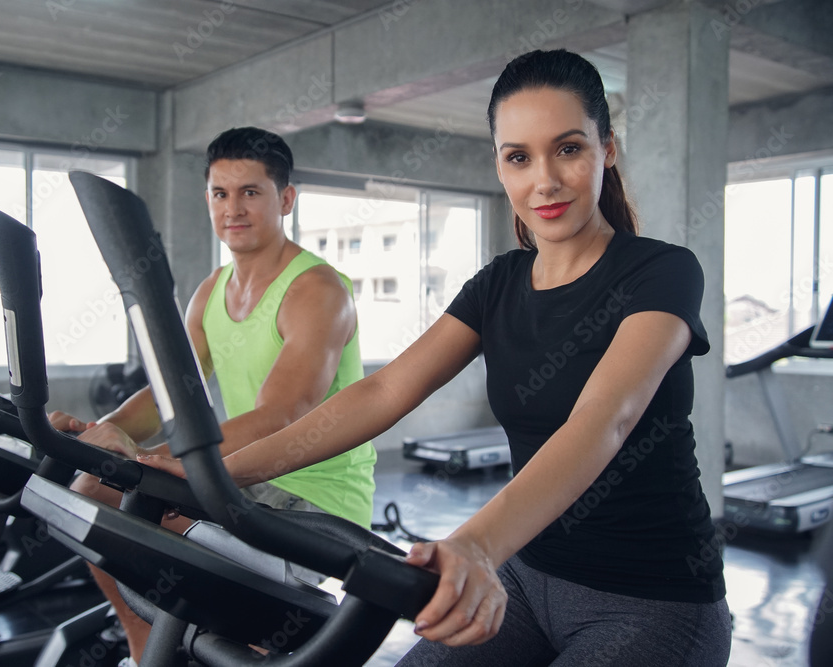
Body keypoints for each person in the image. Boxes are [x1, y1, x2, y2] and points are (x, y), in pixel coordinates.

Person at [144, 49, 731, 665]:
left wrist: (475, 545)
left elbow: (601, 420)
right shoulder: (499, 283)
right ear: (500, 167)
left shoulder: (661, 273)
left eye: (568, 149)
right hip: (528, 579)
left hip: (654, 600)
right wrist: (215, 472)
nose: (545, 182)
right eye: (519, 157)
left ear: (606, 149)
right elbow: (385, 391)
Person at [50, 126, 377, 665]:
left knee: (160, 533)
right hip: (241, 481)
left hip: (311, 502)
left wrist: (157, 461)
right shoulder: (210, 293)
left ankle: (230, 634)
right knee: (91, 489)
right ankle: (142, 647)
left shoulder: (316, 290)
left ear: (285, 199)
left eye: (251, 192)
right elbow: (165, 396)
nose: (234, 208)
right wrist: (97, 435)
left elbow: (282, 414)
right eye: (220, 194)